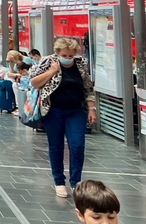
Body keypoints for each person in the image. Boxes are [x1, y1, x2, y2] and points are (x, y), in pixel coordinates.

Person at [29, 38, 96, 198]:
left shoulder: (80, 64)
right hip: (53, 111)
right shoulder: (47, 62)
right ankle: (59, 181)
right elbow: (34, 82)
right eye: (64, 55)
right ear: (57, 53)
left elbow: (88, 87)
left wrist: (92, 108)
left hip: (76, 111)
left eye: (71, 55)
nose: (68, 58)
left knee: (77, 146)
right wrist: (52, 71)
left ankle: (76, 183)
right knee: (56, 146)